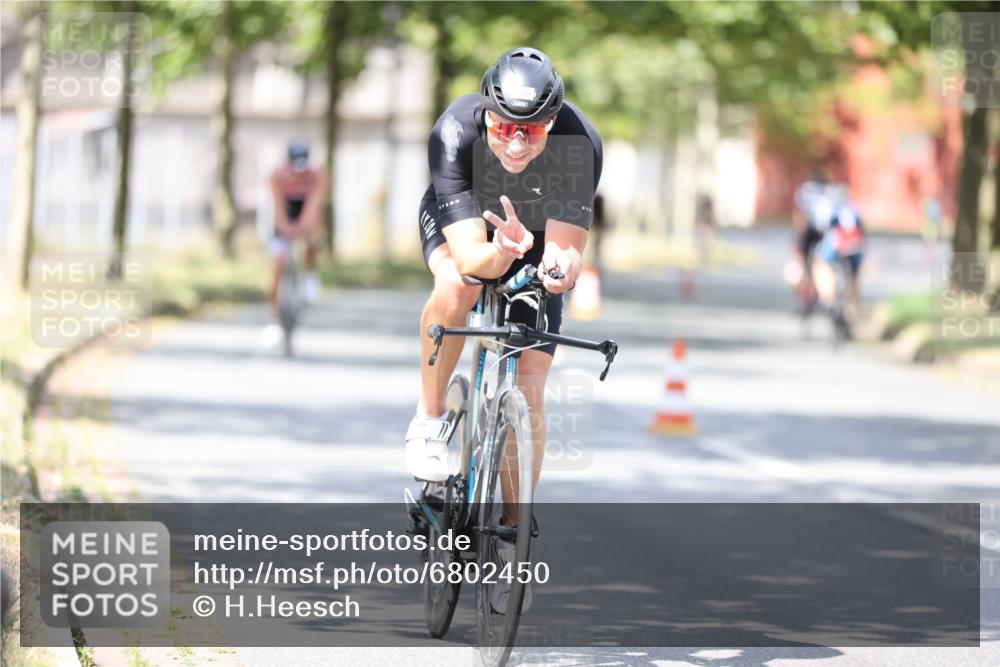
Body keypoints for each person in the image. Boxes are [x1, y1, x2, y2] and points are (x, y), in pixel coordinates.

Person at [406, 47, 602, 610]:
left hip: (537, 234)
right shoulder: (455, 132)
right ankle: (431, 418)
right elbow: (470, 259)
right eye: (504, 127)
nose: (516, 142)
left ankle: (513, 540)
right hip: (468, 225)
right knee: (458, 287)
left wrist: (558, 269)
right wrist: (500, 252)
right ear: (486, 113)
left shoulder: (578, 144)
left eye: (533, 130)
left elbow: (566, 256)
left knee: (533, 377)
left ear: (554, 120)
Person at [261, 140, 328, 347]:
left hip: (305, 212)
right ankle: (274, 320)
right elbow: (278, 209)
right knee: (278, 267)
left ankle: (310, 275)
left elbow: (314, 206)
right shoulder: (276, 176)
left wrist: (304, 229)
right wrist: (285, 228)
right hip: (285, 214)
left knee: (313, 238)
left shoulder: (317, 176)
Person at [814, 200, 866, 332]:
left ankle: (829, 299)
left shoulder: (829, 209)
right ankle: (852, 315)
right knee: (855, 277)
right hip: (856, 241)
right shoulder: (855, 211)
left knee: (821, 264)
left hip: (836, 241)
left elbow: (820, 227)